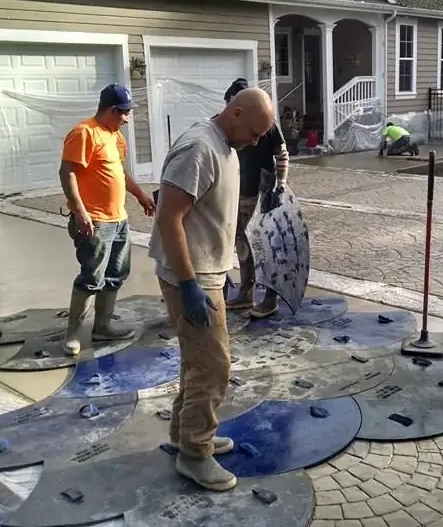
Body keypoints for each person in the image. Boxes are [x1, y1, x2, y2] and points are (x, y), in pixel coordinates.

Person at [149, 87, 275, 491]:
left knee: (197, 361)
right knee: (214, 366)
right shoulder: (199, 149)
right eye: (254, 133)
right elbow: (169, 218)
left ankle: (184, 435)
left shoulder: (225, 145)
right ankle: (194, 454)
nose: (254, 142)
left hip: (207, 273)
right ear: (235, 113)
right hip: (192, 278)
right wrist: (188, 286)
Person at [58, 84, 156, 357]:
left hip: (119, 219)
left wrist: (140, 196)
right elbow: (67, 173)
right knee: (91, 277)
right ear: (112, 109)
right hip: (95, 222)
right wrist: (80, 212)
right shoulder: (84, 133)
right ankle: (73, 335)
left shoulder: (115, 137)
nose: (127, 118)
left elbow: (120, 174)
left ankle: (102, 327)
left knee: (116, 274)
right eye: (124, 113)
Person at [221, 78, 291, 318]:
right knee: (242, 244)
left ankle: (270, 299)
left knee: (265, 246)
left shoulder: (266, 123)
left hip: (262, 193)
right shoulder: (230, 125)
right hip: (240, 191)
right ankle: (246, 292)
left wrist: (280, 185)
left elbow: (281, 154)